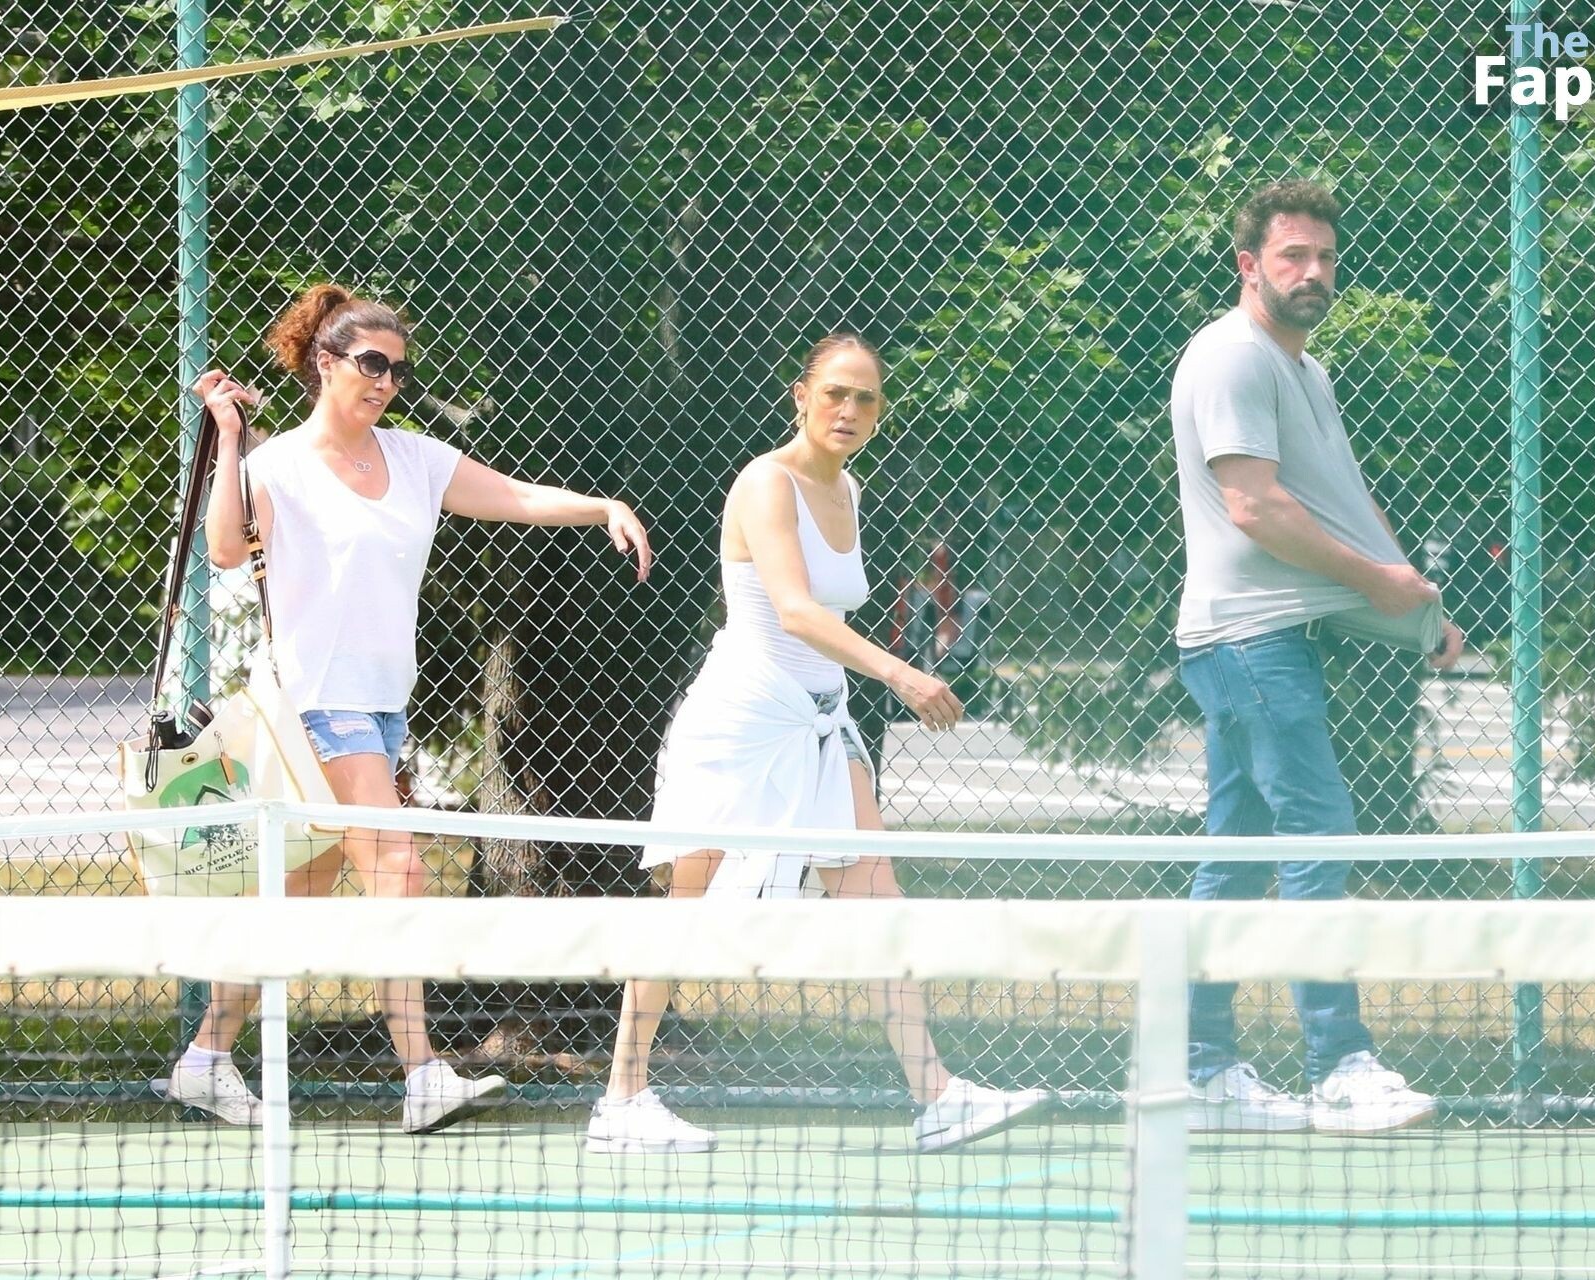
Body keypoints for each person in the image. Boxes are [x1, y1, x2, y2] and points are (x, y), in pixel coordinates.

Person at [171, 283, 653, 1134]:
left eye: (396, 369)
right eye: (370, 363)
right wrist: (230, 439)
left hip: (381, 708)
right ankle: (424, 1074)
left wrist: (602, 507)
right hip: (318, 704)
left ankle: (206, 1059)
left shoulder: (417, 459)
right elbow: (223, 549)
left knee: (296, 895)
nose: (386, 381)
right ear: (325, 363)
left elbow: (512, 496)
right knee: (398, 868)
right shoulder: (279, 465)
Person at [585, 333, 1050, 1156]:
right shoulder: (766, 482)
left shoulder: (849, 488)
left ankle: (937, 1096)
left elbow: (822, 619)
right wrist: (902, 674)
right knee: (687, 900)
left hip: (822, 722)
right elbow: (796, 612)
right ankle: (622, 1098)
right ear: (801, 396)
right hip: (740, 721)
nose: (849, 410)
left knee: (877, 899)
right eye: (835, 392)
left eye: (866, 398)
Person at [1170, 180, 1466, 1135]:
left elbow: (1341, 495)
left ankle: (1198, 1071)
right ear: (1249, 265)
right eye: (1293, 255)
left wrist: (1413, 596)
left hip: (1268, 640)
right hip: (1244, 639)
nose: (1314, 273)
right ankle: (1338, 1065)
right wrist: (1378, 584)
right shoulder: (1231, 356)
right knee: (1318, 825)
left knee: (1237, 855)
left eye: (1327, 258)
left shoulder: (1308, 372)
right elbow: (1255, 507)